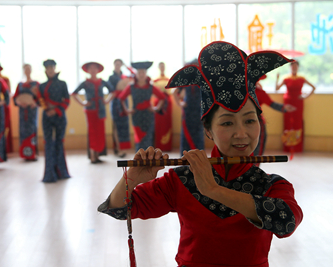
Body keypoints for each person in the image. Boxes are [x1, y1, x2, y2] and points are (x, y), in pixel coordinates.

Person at [98, 41, 303, 267]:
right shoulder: (182, 179)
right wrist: (132, 177)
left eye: (250, 120)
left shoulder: (272, 186)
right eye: (227, 123)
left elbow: (287, 223)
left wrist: (213, 190)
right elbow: (118, 209)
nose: (241, 133)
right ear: (208, 131)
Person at [36, 59, 70, 182]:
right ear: (45, 70)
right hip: (47, 117)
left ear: (54, 68)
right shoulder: (41, 86)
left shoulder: (62, 84)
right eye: (48, 68)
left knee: (59, 142)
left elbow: (67, 100)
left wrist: (56, 110)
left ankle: (62, 172)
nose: (50, 70)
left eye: (52, 67)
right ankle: (50, 174)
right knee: (49, 144)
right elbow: (38, 101)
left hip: (60, 116)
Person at [118, 61, 165, 151]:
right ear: (136, 74)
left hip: (148, 115)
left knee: (148, 137)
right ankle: (139, 159)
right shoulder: (131, 87)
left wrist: (156, 108)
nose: (141, 74)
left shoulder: (150, 86)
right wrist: (127, 110)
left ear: (146, 73)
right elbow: (121, 98)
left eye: (143, 72)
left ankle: (148, 160)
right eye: (139, 72)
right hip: (136, 115)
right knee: (139, 138)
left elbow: (162, 97)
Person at [72, 62, 114, 164]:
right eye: (91, 68)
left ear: (97, 69)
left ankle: (98, 154)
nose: (93, 70)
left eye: (94, 68)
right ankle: (92, 156)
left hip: (101, 110)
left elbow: (113, 91)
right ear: (88, 70)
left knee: (100, 132)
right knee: (92, 132)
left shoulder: (102, 81)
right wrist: (83, 103)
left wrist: (107, 101)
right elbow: (74, 93)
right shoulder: (85, 83)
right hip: (90, 111)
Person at [276, 61, 316, 152]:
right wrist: (277, 79)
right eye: (292, 66)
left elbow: (313, 87)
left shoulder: (302, 78)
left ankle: (297, 146)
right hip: (288, 101)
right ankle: (287, 146)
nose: (294, 68)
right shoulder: (286, 78)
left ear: (298, 67)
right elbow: (277, 88)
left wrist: (305, 96)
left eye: (295, 66)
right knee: (288, 122)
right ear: (290, 67)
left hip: (298, 102)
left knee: (297, 122)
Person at [254, 75, 296, 156]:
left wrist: (284, 108)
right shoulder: (258, 92)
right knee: (257, 148)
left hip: (256, 122)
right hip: (255, 122)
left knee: (257, 147)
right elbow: (271, 103)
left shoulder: (258, 92)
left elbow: (271, 103)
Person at [173, 60, 204, 156]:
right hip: (188, 111)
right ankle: (185, 157)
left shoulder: (203, 80)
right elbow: (175, 92)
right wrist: (180, 104)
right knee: (186, 135)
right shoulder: (185, 80)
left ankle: (199, 156)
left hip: (199, 111)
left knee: (199, 135)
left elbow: (209, 94)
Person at [13, 64, 39, 161]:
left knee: (32, 130)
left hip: (32, 111)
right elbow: (15, 98)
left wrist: (35, 103)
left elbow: (40, 97)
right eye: (25, 69)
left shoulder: (36, 84)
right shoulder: (20, 85)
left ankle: (33, 154)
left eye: (29, 69)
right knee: (23, 131)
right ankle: (25, 155)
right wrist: (19, 103)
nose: (27, 71)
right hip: (23, 112)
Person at [108, 59, 132, 158]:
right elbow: (111, 90)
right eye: (116, 64)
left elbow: (134, 75)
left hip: (124, 102)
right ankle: (117, 148)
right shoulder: (111, 77)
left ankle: (123, 148)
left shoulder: (125, 76)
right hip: (115, 103)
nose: (118, 66)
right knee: (116, 125)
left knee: (124, 125)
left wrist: (127, 67)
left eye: (119, 64)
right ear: (114, 65)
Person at [153, 62, 173, 151]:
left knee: (167, 123)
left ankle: (167, 146)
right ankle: (158, 146)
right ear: (158, 67)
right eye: (160, 66)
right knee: (158, 124)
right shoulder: (155, 81)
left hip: (167, 103)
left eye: (163, 66)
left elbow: (170, 91)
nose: (162, 68)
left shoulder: (169, 79)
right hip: (158, 103)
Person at [0, 69, 14, 154]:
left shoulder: (4, 79)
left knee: (6, 124)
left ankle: (6, 148)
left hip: (4, 105)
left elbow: (8, 93)